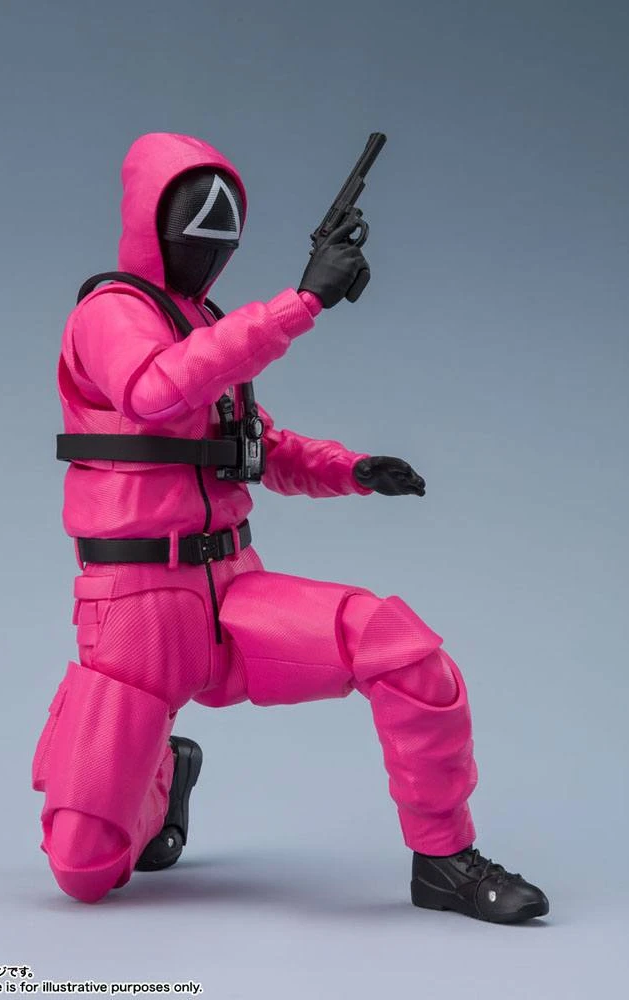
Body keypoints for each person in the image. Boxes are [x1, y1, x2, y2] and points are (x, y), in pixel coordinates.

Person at [31, 132, 549, 923]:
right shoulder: (110, 315)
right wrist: (298, 304)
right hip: (138, 614)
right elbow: (153, 393)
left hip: (235, 596)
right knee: (83, 870)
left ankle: (444, 861)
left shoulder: (206, 329)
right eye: (192, 231)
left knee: (406, 654)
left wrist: (354, 469)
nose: (209, 250)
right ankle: (161, 769)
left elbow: (258, 446)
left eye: (223, 236)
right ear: (149, 226)